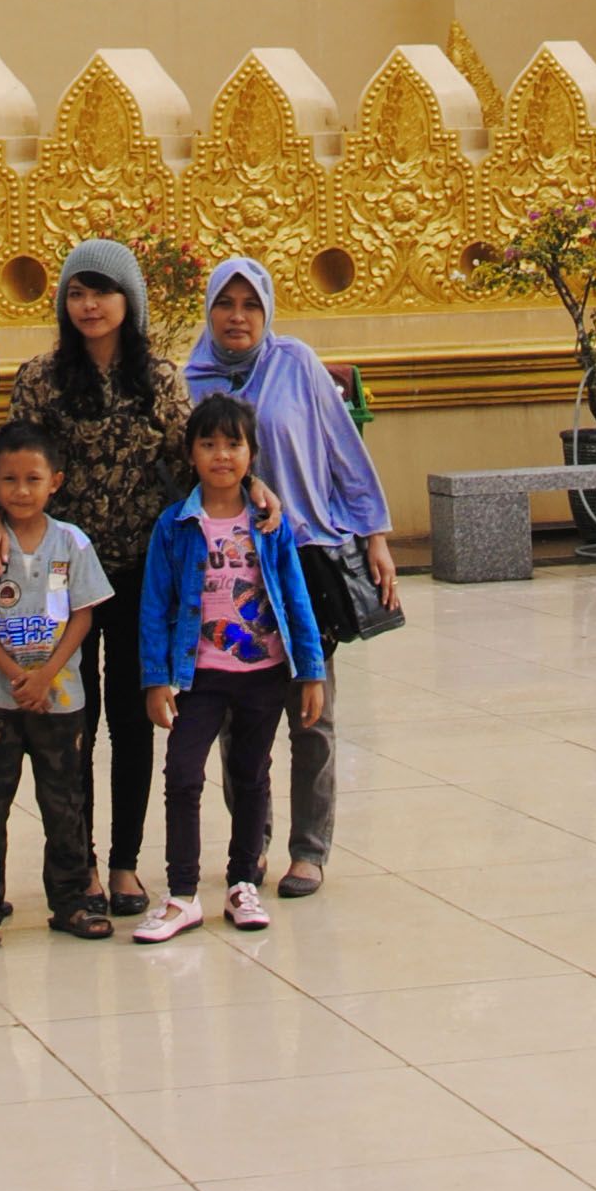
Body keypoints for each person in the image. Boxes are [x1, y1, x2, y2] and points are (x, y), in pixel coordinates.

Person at [186, 255, 397, 898]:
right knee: (235, 719)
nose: (238, 317)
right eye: (226, 303)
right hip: (227, 567)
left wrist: (376, 538)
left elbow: (342, 451)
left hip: (302, 561)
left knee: (312, 712)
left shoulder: (296, 363)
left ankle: (309, 848)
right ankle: (251, 846)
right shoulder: (192, 381)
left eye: (251, 304)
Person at [4, 240, 190, 921]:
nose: (88, 305)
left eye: (101, 292)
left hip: (142, 568)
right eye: (77, 293)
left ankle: (124, 863)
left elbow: (192, 462)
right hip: (64, 574)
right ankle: (75, 863)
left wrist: (253, 492)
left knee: (134, 717)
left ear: (128, 301)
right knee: (68, 718)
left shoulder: (160, 380)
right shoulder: (42, 377)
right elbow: (19, 469)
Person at [134, 392, 327, 943]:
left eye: (233, 444)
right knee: (182, 774)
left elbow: (295, 597)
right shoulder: (174, 526)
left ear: (251, 454)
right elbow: (155, 605)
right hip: (199, 676)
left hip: (262, 674)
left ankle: (243, 881)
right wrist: (155, 680)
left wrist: (310, 671)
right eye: (209, 444)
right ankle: (182, 893)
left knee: (251, 776)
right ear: (191, 454)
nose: (221, 455)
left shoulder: (269, 523)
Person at [0, 419, 113, 946]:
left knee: (64, 800)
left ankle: (70, 900)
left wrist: (48, 675)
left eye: (33, 479)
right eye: (9, 480)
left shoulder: (73, 544)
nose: (21, 491)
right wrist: (17, 675)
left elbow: (83, 617)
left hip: (61, 700)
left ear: (54, 482)